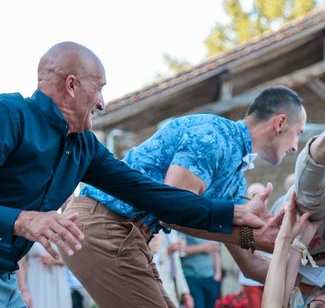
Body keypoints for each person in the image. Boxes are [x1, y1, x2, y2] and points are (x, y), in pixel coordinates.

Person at [0, 42, 268, 308]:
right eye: (99, 88)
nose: (102, 103)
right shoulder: (9, 115)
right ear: (71, 85)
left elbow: (152, 194)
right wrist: (21, 219)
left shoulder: (84, 146)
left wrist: (234, 213)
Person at [63, 84, 306, 307]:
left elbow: (251, 262)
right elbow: (173, 210)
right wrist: (256, 235)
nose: (296, 146)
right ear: (280, 123)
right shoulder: (214, 136)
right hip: (105, 222)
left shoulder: (235, 178)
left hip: (129, 235)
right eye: (299, 133)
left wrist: (317, 282)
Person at [17, 242, 72, 308]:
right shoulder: (28, 234)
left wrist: (55, 261)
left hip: (59, 283)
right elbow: (20, 262)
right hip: (36, 284)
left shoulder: (63, 234)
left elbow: (73, 258)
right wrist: (23, 291)